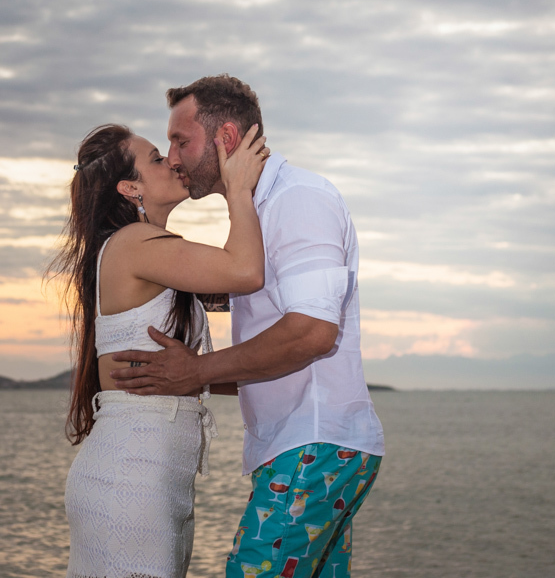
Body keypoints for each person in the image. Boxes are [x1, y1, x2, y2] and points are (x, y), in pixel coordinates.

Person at [109, 75, 385, 578]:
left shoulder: (299, 199)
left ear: (227, 140)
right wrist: (183, 374)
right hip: (301, 447)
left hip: (313, 443)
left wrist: (195, 373)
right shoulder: (258, 212)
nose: (173, 157)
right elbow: (272, 339)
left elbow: (312, 334)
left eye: (180, 141)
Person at [52, 121, 270, 578]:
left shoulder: (147, 249)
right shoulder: (134, 243)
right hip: (133, 476)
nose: (172, 160)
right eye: (155, 158)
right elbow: (246, 271)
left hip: (152, 475)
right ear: (129, 187)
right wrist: (238, 188)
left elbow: (189, 370)